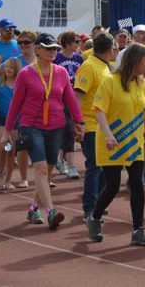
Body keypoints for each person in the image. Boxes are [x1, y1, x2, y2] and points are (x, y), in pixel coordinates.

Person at [3, 33, 84, 229]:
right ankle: (51, 211)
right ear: (37, 50)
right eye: (48, 48)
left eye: (55, 48)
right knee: (39, 168)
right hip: (32, 126)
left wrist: (79, 121)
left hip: (56, 126)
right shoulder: (26, 73)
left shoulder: (61, 72)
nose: (52, 52)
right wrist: (7, 129)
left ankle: (33, 208)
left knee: (47, 171)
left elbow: (70, 99)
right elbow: (16, 103)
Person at [86, 43, 145, 246]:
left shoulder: (144, 84)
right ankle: (95, 217)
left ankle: (138, 230)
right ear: (134, 61)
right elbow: (99, 110)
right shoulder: (110, 81)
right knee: (113, 185)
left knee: (137, 184)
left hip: (134, 143)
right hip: (112, 143)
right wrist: (108, 135)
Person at [74, 33, 114, 221]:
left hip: (103, 125)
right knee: (94, 166)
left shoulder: (105, 67)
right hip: (90, 124)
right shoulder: (89, 67)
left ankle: (98, 203)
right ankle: (89, 207)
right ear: (109, 49)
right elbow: (78, 97)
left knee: (104, 167)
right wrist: (78, 123)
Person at [54, 30, 85, 180]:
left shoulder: (80, 58)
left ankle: (63, 162)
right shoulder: (57, 58)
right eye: (76, 42)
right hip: (60, 99)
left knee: (70, 131)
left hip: (75, 98)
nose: (79, 44)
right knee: (66, 131)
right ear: (67, 43)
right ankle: (68, 164)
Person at [0, 57, 25, 191]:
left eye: (11, 67)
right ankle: (0, 175)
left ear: (17, 69)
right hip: (0, 120)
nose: (8, 69)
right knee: (4, 145)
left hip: (16, 121)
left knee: (11, 152)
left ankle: (8, 179)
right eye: (6, 67)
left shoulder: (21, 85)